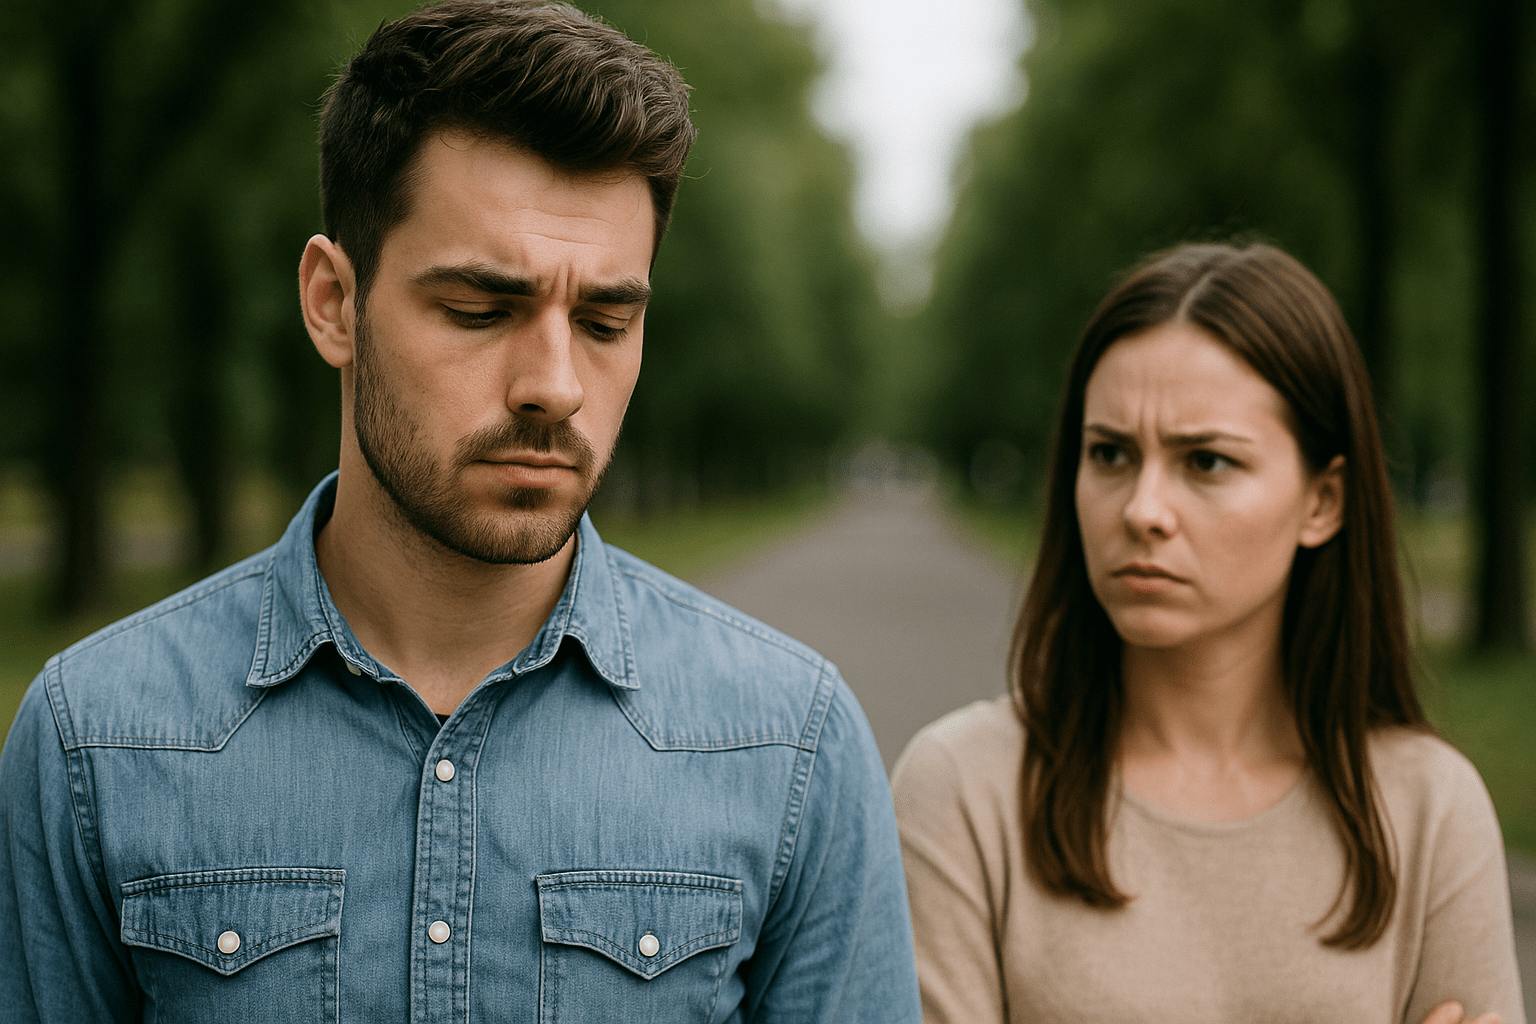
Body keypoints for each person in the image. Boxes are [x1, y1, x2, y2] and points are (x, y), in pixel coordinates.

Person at [0, 3, 920, 1020]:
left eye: (605, 321)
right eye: (481, 311)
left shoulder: (789, 744)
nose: (554, 387)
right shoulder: (96, 740)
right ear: (333, 302)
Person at [892, 242, 1524, 1024]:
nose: (1142, 509)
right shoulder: (964, 789)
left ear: (1323, 502)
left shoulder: (1429, 810)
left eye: (1207, 462)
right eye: (1110, 453)